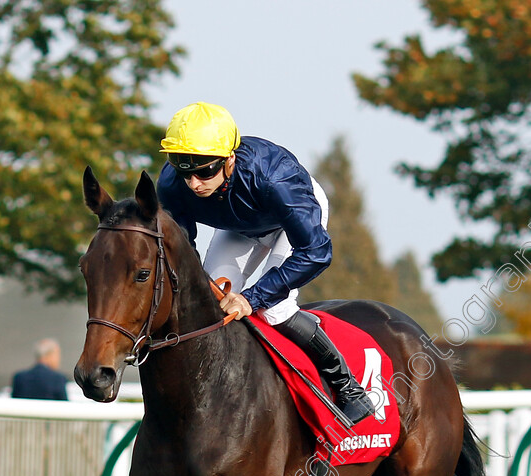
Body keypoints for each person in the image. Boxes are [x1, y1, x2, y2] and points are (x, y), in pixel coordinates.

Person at [156, 102, 374, 425]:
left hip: (293, 222)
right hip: (241, 226)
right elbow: (184, 250)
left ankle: (348, 387)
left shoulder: (275, 179)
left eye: (205, 171)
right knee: (211, 303)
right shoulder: (172, 186)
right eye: (183, 169)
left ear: (229, 160)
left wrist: (251, 297)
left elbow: (316, 251)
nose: (194, 183)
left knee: (274, 309)